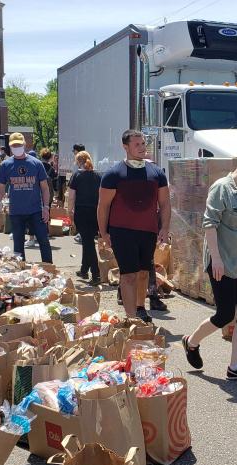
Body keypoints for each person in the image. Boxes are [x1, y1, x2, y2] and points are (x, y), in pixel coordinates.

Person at [180, 152, 237, 381]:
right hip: (222, 262)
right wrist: (216, 259)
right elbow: (209, 225)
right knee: (224, 314)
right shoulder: (221, 188)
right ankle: (191, 342)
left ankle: (235, 367)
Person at [98, 129, 170, 323]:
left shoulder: (156, 173)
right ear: (125, 147)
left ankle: (140, 308)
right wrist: (103, 233)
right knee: (128, 275)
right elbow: (103, 206)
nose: (141, 147)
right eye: (137, 144)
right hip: (122, 232)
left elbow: (164, 203)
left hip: (148, 232)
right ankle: (131, 318)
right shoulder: (114, 174)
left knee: (144, 272)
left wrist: (164, 228)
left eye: (143, 143)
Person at [0, 132, 53, 263]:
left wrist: (46, 207)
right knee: (18, 246)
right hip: (16, 212)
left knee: (43, 241)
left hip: (36, 211)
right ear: (10, 147)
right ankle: (21, 274)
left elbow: (45, 188)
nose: (16, 147)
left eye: (19, 144)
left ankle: (49, 269)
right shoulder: (5, 165)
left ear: (24, 145)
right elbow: (1, 188)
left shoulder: (36, 163)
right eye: (14, 145)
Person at [68, 151, 101, 284]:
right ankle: (84, 269)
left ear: (78, 162)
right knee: (87, 241)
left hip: (81, 212)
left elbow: (71, 197)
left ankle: (96, 273)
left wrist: (69, 211)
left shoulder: (76, 176)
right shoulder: (98, 176)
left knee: (88, 243)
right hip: (95, 212)